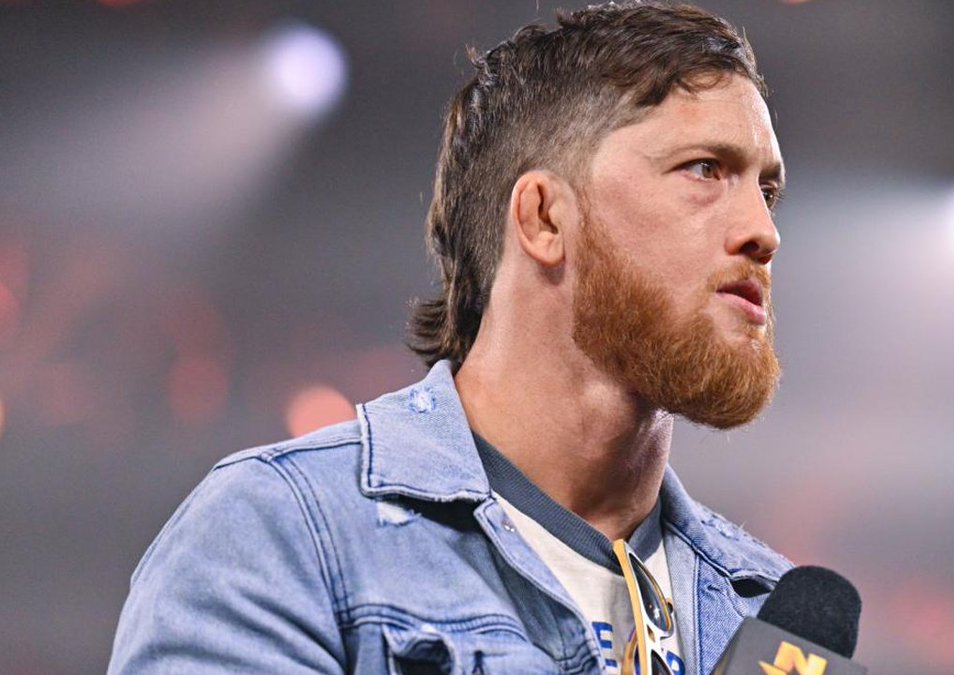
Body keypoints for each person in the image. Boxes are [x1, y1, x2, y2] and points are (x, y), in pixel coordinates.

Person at [109, 2, 791, 673]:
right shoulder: (285, 534)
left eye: (766, 191)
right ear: (545, 219)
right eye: (705, 169)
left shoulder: (773, 619)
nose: (763, 231)